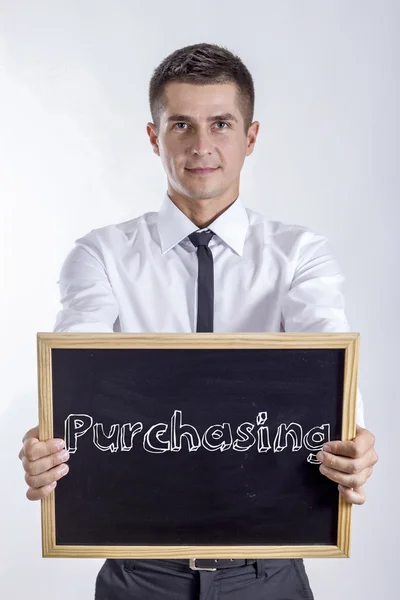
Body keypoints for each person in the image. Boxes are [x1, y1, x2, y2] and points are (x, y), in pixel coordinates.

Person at [18, 42, 378, 600]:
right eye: (181, 124)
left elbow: (328, 359)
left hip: (268, 574)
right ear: (153, 136)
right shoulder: (101, 256)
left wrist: (355, 440)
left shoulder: (300, 256)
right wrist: (50, 441)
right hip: (140, 575)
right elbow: (75, 375)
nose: (201, 145)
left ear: (251, 137)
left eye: (221, 124)